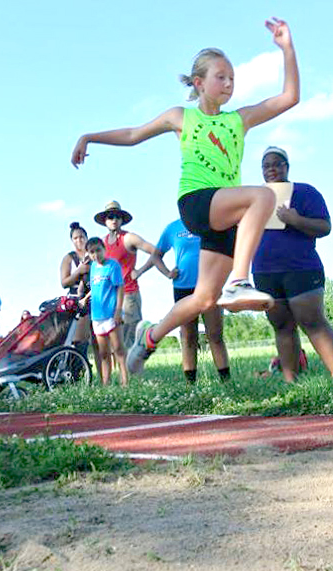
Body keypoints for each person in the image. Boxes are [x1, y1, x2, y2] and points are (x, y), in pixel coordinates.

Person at [71, 18, 299, 375]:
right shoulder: (182, 117)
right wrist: (89, 136)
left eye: (232, 78)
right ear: (199, 83)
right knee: (263, 197)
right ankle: (239, 282)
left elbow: (289, 98)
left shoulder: (239, 120)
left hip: (224, 216)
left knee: (205, 298)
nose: (228, 83)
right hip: (196, 200)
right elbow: (133, 133)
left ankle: (149, 339)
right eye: (220, 77)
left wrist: (286, 48)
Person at [253, 146, 333, 383]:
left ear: (287, 166)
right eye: (266, 165)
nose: (271, 169)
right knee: (281, 325)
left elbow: (325, 227)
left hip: (301, 267)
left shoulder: (305, 192)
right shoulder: (255, 196)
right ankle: (290, 380)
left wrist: (295, 219)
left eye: (276, 164)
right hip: (265, 270)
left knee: (312, 321)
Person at [153, 217, 231, 383]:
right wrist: (167, 272)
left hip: (209, 285)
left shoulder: (209, 221)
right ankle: (191, 384)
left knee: (215, 335)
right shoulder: (172, 228)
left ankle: (226, 382)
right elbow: (156, 255)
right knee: (188, 337)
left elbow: (226, 246)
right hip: (183, 287)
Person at [94, 201, 163, 349]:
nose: (114, 220)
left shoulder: (129, 238)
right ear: (105, 221)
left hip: (129, 295)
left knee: (131, 339)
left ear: (122, 220)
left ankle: (135, 371)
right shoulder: (103, 243)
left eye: (117, 216)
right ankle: (123, 372)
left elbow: (156, 251)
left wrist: (140, 271)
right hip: (110, 298)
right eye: (110, 216)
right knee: (116, 342)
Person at [59, 221, 102, 373]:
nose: (79, 240)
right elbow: (64, 282)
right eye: (76, 238)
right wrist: (78, 271)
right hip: (78, 301)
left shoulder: (95, 255)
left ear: (86, 237)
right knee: (80, 340)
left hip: (96, 298)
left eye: (82, 237)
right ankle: (79, 373)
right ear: (72, 240)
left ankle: (104, 377)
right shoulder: (69, 258)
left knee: (99, 340)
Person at [86, 237, 128, 386]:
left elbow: (120, 288)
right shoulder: (93, 268)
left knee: (118, 349)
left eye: (98, 250)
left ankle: (125, 381)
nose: (96, 254)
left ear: (104, 249)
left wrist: (118, 310)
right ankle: (106, 383)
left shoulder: (113, 265)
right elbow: (95, 287)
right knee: (103, 353)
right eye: (92, 252)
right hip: (97, 316)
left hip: (111, 314)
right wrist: (85, 298)